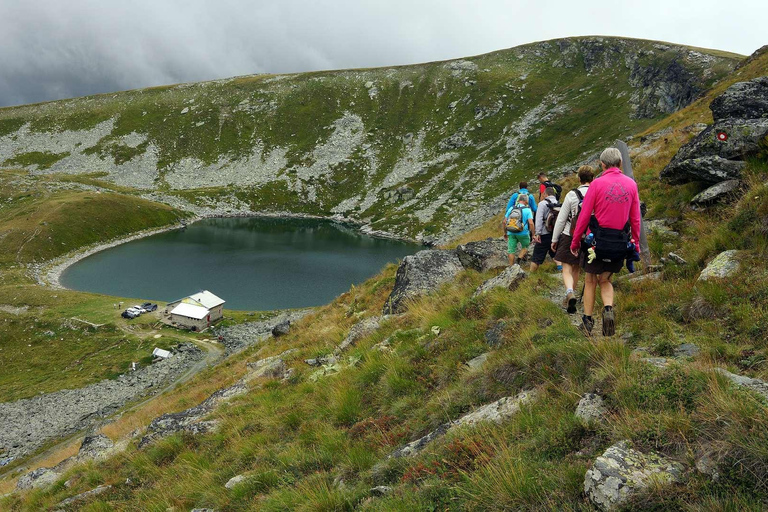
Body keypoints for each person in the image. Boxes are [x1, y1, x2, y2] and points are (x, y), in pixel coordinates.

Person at [570, 149, 641, 336]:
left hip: (597, 243)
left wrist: (576, 241)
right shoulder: (631, 185)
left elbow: (584, 216)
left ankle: (588, 321)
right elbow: (635, 218)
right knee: (606, 279)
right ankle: (608, 309)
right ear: (620, 163)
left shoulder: (596, 184)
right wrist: (636, 245)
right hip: (619, 242)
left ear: (602, 164)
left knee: (591, 279)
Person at [551, 165, 594, 313]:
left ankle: (570, 292)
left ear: (579, 179)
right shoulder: (596, 192)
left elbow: (561, 219)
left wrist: (555, 239)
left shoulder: (571, 195)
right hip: (588, 236)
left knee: (566, 267)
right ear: (592, 178)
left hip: (569, 235)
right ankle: (572, 294)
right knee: (576, 268)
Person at [530, 186, 561, 272]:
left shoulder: (542, 204)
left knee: (536, 256)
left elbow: (539, 219)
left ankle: (532, 275)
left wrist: (537, 233)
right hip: (555, 233)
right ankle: (561, 271)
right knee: (555, 253)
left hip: (544, 233)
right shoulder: (558, 203)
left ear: (545, 194)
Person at [503, 193, 535, 266]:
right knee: (525, 246)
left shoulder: (511, 208)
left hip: (511, 232)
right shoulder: (527, 210)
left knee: (511, 250)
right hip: (523, 233)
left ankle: (511, 267)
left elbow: (504, 222)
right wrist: (533, 234)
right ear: (526, 201)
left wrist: (505, 233)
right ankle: (519, 259)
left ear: (519, 200)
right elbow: (531, 223)